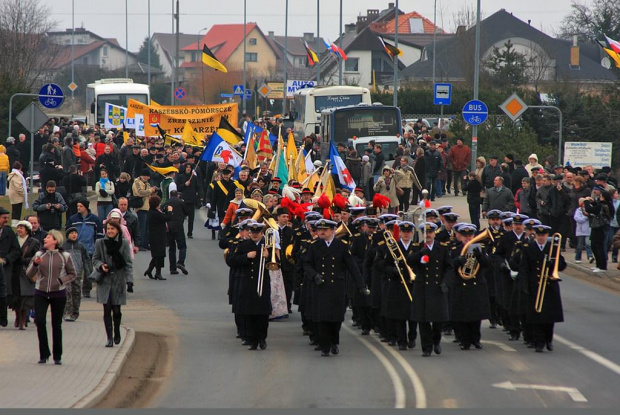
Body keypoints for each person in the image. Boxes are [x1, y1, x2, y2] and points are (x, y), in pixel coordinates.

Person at [303, 219, 368, 356]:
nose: (321, 232)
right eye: (320, 229)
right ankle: (325, 346)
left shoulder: (341, 246)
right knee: (321, 318)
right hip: (320, 287)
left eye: (325, 230)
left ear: (332, 231)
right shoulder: (314, 246)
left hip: (336, 287)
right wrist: (314, 276)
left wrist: (361, 285)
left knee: (336, 318)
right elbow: (307, 265)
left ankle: (334, 341)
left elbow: (352, 266)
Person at [26, 230, 77, 364]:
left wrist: (61, 281)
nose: (45, 239)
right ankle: (44, 354)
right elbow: (29, 273)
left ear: (55, 240)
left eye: (48, 237)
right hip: (41, 292)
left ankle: (57, 356)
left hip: (58, 293)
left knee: (56, 324)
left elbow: (73, 274)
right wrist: (36, 264)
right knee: (40, 321)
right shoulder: (39, 254)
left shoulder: (64, 256)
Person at [518, 225, 566, 353]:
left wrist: (553, 264)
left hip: (549, 286)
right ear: (535, 235)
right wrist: (525, 285)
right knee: (536, 317)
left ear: (546, 236)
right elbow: (524, 268)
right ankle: (539, 343)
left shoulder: (553, 248)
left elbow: (562, 265)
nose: (541, 237)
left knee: (549, 317)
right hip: (535, 285)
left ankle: (548, 340)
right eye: (539, 235)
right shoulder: (529, 248)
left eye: (543, 235)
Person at [406, 222, 451, 357]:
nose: (428, 235)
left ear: (434, 233)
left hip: (437, 288)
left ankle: (436, 341)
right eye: (425, 233)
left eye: (430, 233)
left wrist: (445, 282)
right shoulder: (417, 247)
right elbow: (408, 261)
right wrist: (420, 254)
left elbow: (449, 267)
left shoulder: (442, 248)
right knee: (423, 320)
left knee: (438, 319)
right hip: (422, 288)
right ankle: (426, 347)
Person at [227, 221, 272, 350]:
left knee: (262, 313)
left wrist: (268, 257)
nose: (254, 235)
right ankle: (252, 340)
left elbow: (277, 263)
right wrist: (246, 256)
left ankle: (262, 338)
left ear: (262, 233)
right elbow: (231, 260)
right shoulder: (243, 245)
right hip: (246, 283)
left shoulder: (268, 246)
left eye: (257, 233)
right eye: (252, 232)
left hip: (262, 283)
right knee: (249, 312)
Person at [93, 221, 133, 347]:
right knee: (106, 309)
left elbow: (127, 263)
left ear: (118, 230)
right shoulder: (100, 243)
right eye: (108, 229)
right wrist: (101, 266)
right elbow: (95, 259)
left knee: (116, 309)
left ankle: (117, 331)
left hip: (118, 279)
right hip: (104, 280)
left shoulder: (124, 243)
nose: (110, 231)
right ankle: (109, 337)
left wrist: (129, 280)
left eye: (112, 229)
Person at [65, 199, 103, 298]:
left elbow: (99, 234)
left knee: (88, 271)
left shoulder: (95, 219)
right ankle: (75, 289)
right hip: (76, 249)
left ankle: (87, 289)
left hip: (90, 249)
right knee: (76, 270)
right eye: (77, 206)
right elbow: (67, 232)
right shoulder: (73, 219)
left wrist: (97, 247)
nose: (78, 208)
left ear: (86, 207)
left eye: (80, 206)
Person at [13, 220, 40, 330]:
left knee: (26, 296)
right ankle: (18, 317)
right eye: (18, 227)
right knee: (16, 296)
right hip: (15, 272)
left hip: (27, 272)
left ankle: (23, 319)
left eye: (21, 228)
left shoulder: (33, 242)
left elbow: (37, 256)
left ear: (27, 230)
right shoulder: (14, 240)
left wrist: (24, 260)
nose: (19, 230)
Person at [62, 227, 92, 322]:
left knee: (76, 293)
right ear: (68, 235)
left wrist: (88, 272)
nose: (74, 235)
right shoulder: (63, 246)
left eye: (75, 233)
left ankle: (75, 312)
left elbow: (86, 259)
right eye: (72, 233)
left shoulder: (81, 246)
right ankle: (67, 312)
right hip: (66, 274)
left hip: (77, 273)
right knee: (67, 293)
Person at [145, 195, 173, 280]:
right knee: (159, 255)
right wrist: (170, 211)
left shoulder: (152, 212)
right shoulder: (155, 213)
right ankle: (158, 273)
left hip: (156, 236)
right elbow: (167, 218)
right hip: (157, 237)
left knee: (157, 255)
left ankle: (150, 270)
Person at [163, 190, 190, 275]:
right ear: (177, 195)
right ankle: (180, 262)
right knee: (182, 246)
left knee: (172, 247)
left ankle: (172, 268)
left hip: (169, 227)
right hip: (178, 226)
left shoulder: (166, 202)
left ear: (170, 195)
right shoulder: (180, 202)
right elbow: (187, 212)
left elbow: (162, 212)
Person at [132, 169, 157, 251]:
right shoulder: (137, 182)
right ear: (143, 175)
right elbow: (140, 192)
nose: (149, 178)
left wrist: (153, 191)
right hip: (141, 207)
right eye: (147, 176)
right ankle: (140, 244)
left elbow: (149, 193)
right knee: (142, 227)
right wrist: (150, 190)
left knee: (146, 227)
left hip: (147, 207)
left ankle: (146, 243)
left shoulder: (147, 183)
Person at [8, 161, 28, 226]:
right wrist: (23, 193)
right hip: (17, 196)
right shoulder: (17, 175)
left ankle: (15, 223)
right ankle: (15, 224)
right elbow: (18, 186)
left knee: (15, 210)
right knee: (17, 211)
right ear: (19, 168)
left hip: (14, 195)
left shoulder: (13, 174)